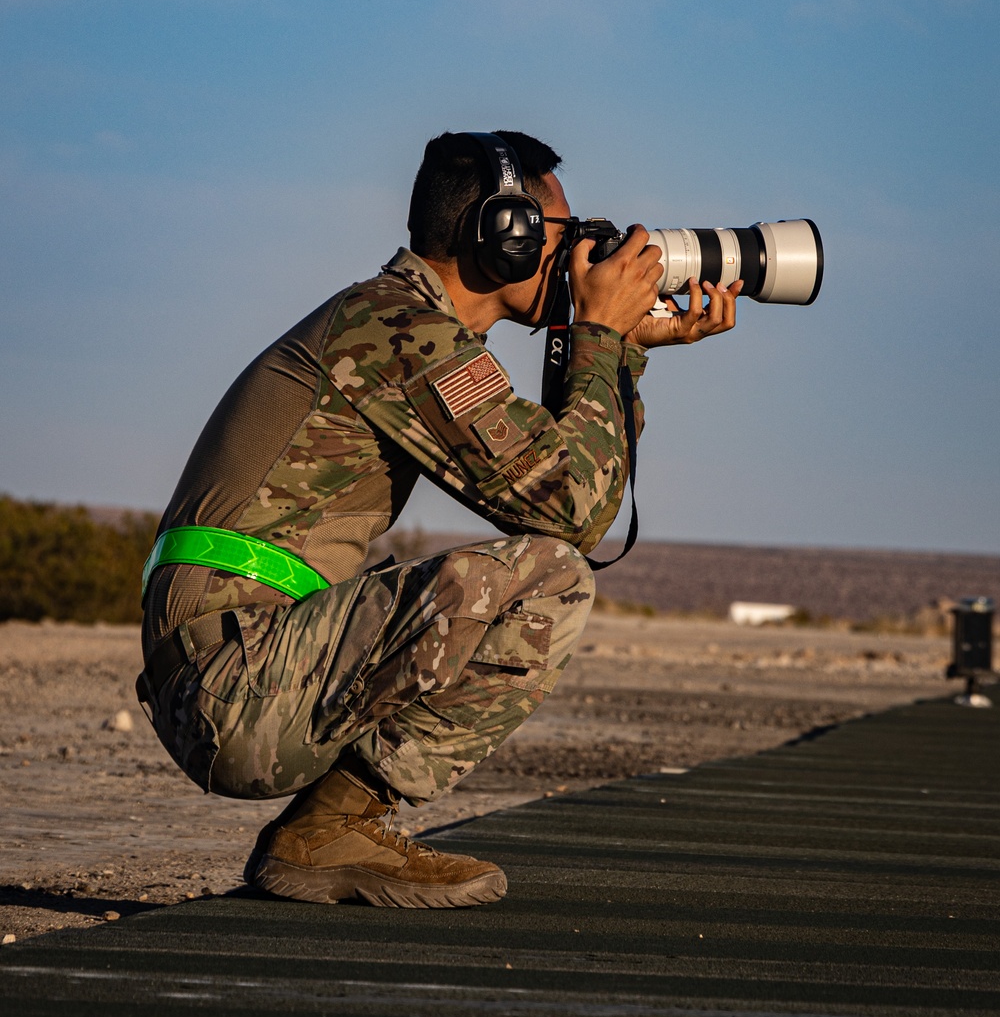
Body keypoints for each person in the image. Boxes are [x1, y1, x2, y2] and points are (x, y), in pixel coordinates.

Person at [138, 131, 741, 908]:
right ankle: (329, 830)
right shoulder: (395, 330)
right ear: (504, 233)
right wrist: (599, 337)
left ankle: (327, 831)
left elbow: (566, 488)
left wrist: (619, 351)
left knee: (546, 566)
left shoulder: (407, 327)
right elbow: (570, 515)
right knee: (547, 580)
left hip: (234, 669)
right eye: (565, 233)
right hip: (231, 683)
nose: (581, 253)